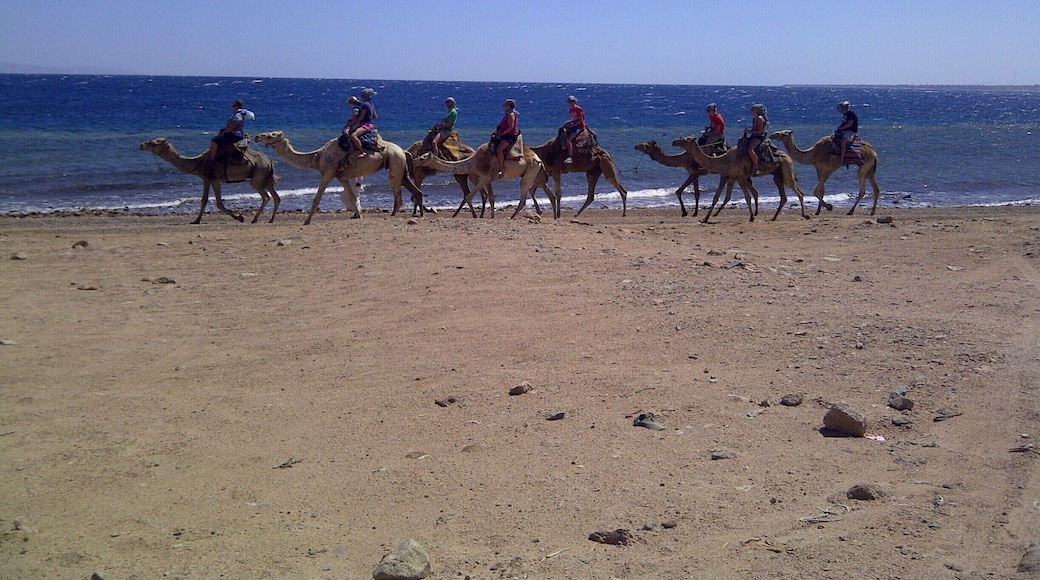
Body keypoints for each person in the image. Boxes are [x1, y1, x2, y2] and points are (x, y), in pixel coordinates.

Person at [490, 99, 520, 177]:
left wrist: (502, 133)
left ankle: (501, 167)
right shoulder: (507, 115)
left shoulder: (511, 115)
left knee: (499, 149)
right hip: (505, 134)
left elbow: (511, 127)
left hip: (510, 136)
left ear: (508, 106)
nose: (503, 107)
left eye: (504, 105)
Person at [349, 88, 378, 157]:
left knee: (353, 136)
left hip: (365, 125)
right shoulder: (371, 105)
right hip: (371, 124)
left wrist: (353, 122)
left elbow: (361, 117)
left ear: (364, 96)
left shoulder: (364, 105)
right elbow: (375, 116)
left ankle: (361, 151)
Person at [743, 103, 768, 175]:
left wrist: (749, 131)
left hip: (758, 137)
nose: (751, 111)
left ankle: (757, 166)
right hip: (754, 135)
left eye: (752, 110)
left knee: (750, 150)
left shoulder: (760, 119)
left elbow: (760, 131)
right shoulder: (755, 118)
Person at [562, 95, 586, 164]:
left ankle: (570, 157)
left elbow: (581, 120)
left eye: (572, 101)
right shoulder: (571, 110)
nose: (571, 103)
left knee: (569, 140)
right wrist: (569, 122)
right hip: (575, 125)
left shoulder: (578, 109)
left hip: (579, 126)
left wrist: (573, 125)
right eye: (570, 102)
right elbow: (575, 119)